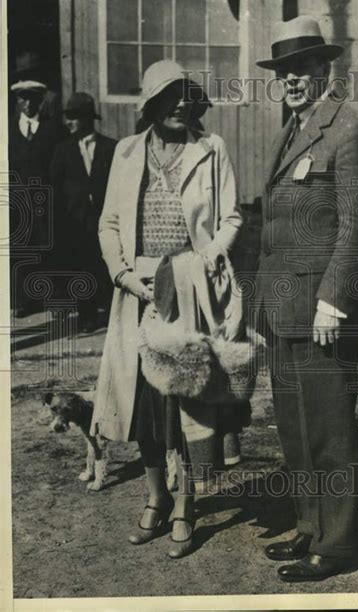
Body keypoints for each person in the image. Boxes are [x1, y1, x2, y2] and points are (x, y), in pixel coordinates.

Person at [90, 60, 245, 558]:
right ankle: (155, 498)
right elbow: (109, 222)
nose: (180, 104)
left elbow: (231, 218)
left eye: (187, 96)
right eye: (169, 96)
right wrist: (122, 274)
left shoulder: (211, 149)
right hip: (137, 291)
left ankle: (186, 503)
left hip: (191, 289)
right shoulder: (128, 151)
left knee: (187, 403)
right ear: (151, 105)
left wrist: (206, 261)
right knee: (144, 404)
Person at [255, 16, 358, 582]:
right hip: (284, 308)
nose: (291, 79)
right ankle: (310, 526)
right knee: (294, 426)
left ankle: (337, 544)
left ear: (325, 69)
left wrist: (333, 301)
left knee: (330, 429)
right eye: (284, 70)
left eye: (302, 68)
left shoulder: (350, 130)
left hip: (323, 310)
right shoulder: (292, 128)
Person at [50, 93, 117, 333]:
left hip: (105, 220)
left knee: (107, 266)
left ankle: (112, 314)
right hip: (75, 222)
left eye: (73, 117)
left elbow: (119, 184)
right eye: (67, 117)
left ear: (87, 118)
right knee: (81, 268)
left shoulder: (111, 147)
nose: (69, 122)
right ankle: (87, 315)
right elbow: (55, 186)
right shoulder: (63, 149)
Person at [9, 79, 65, 318]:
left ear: (41, 101)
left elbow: (61, 164)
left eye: (33, 98)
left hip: (47, 200)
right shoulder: (8, 129)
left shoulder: (54, 130)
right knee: (21, 249)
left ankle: (56, 300)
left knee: (51, 249)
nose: (28, 103)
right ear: (17, 101)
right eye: (23, 98)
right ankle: (25, 301)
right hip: (18, 201)